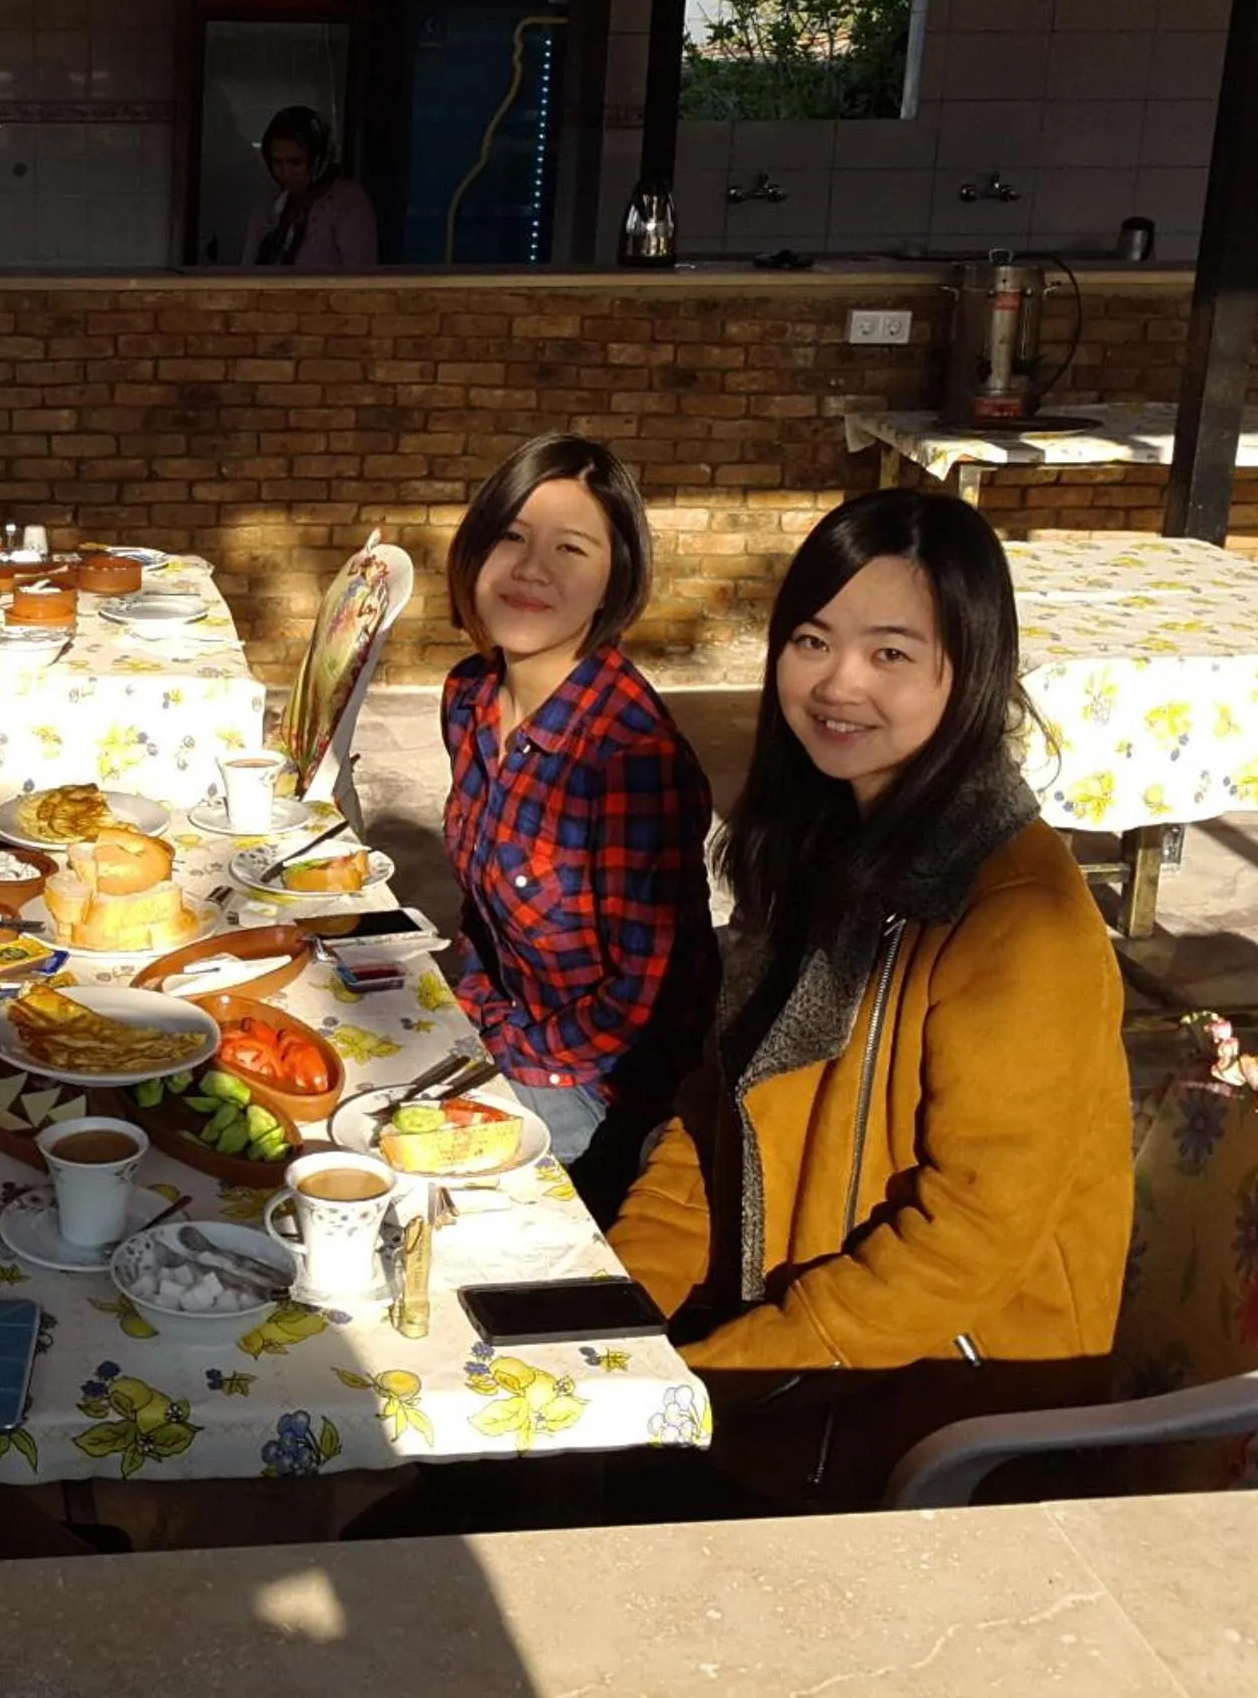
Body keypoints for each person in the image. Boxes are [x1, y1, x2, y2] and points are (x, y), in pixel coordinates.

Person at [609, 489, 1133, 1511]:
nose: (837, 682)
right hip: (794, 1355)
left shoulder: (1021, 924)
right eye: (811, 640)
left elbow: (960, 1248)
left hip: (934, 1423)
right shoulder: (823, 848)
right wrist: (613, 1313)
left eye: (890, 653)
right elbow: (716, 1125)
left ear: (968, 668)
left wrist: (708, 1381)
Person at [440, 434, 718, 1225]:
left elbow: (642, 1000)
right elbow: (482, 911)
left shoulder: (631, 754)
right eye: (512, 537)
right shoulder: (469, 697)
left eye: (571, 547)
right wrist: (474, 1008)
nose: (532, 569)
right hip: (508, 1028)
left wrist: (505, 1056)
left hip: (604, 1095)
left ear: (614, 578)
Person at [243, 106, 377, 270]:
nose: (286, 172)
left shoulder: (348, 203)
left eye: (296, 162)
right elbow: (248, 267)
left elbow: (360, 277)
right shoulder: (270, 202)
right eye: (277, 162)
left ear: (318, 159)